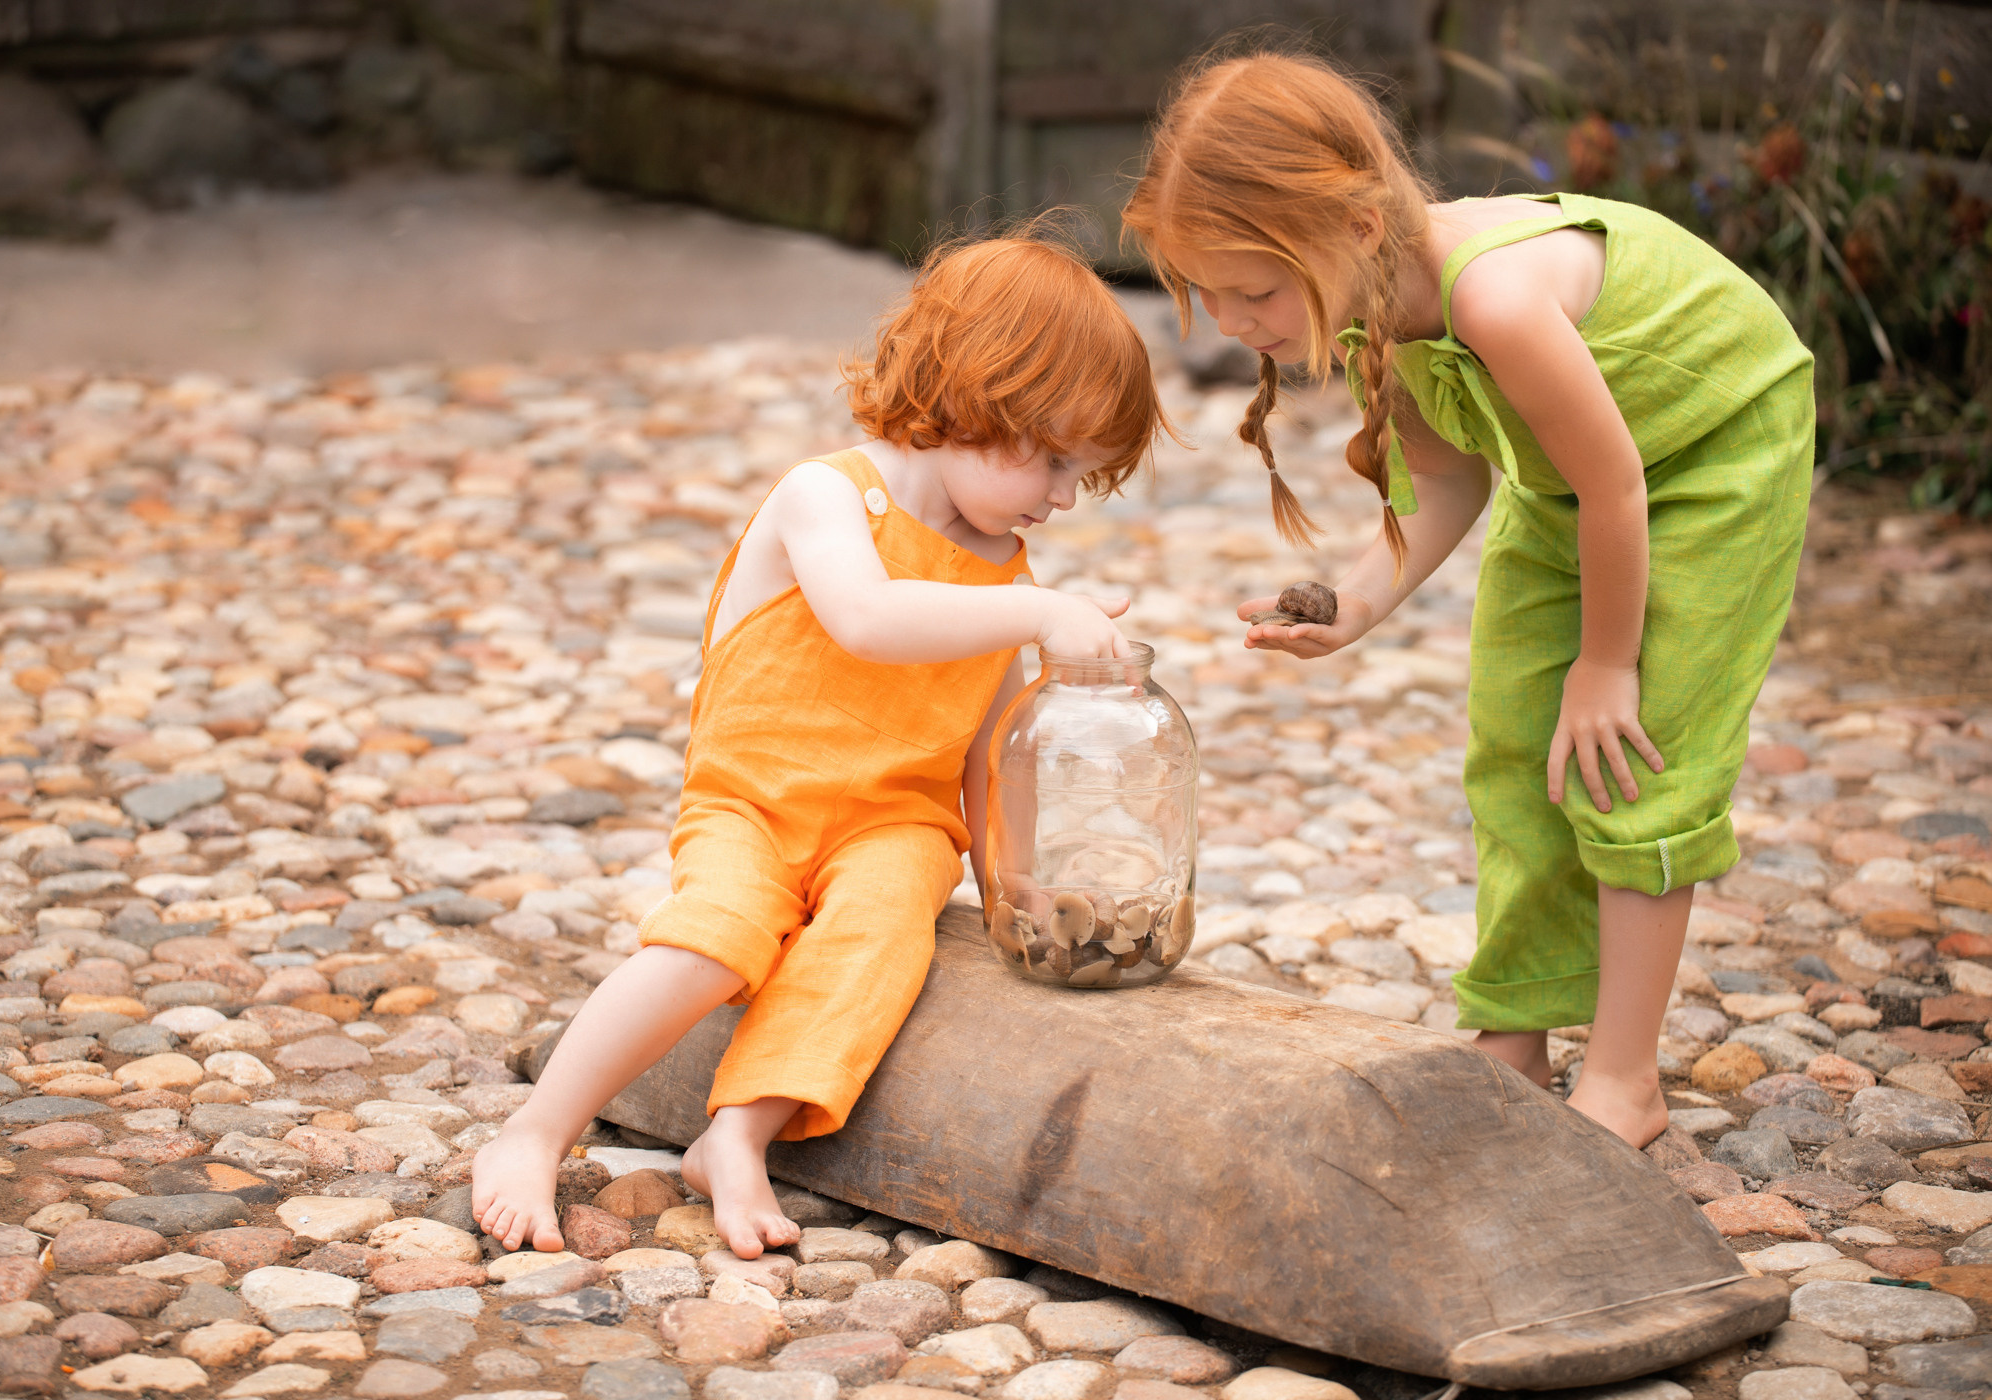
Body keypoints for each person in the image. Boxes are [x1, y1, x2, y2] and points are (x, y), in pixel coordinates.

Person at [1122, 51, 1813, 1148]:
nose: (1229, 321)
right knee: (1515, 745)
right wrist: (1354, 604)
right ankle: (1515, 1023)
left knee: (1634, 747)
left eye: (1251, 291)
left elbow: (1618, 484)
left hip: (1708, 453)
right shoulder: (1370, 306)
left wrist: (1607, 660)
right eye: (1206, 293)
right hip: (1576, 480)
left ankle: (1626, 1076)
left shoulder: (1492, 296)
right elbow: (1451, 477)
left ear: (1351, 227)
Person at [472, 232, 1171, 1255]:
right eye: (1055, 458)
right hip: (756, 805)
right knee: (718, 931)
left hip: (893, 825)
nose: (1063, 496)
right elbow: (869, 616)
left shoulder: (1011, 583)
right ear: (980, 392)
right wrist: (1037, 615)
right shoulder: (830, 495)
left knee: (884, 932)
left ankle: (738, 1134)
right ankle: (535, 1131)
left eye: (1082, 475)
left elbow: (981, 755)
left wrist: (1012, 891)